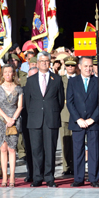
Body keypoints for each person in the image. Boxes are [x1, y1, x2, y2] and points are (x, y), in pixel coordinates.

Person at [24, 51, 64, 187]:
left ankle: (49, 177)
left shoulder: (57, 79)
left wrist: (51, 111)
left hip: (51, 119)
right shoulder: (30, 80)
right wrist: (36, 113)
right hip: (35, 119)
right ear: (38, 63)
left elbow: (59, 101)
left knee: (50, 150)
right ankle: (37, 177)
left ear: (50, 63)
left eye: (47, 61)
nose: (44, 63)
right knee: (36, 150)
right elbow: (28, 102)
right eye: (42, 61)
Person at [67, 56, 99, 187]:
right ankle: (78, 178)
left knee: (93, 151)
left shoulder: (98, 81)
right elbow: (69, 102)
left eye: (90, 66)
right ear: (80, 66)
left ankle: (93, 178)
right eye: (86, 66)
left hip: (93, 122)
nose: (88, 68)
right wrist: (78, 119)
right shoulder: (73, 81)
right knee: (78, 151)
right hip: (78, 122)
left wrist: (93, 118)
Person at [0, 65, 23, 187]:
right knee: (3, 148)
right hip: (1, 120)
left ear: (13, 74)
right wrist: (6, 119)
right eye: (5, 72)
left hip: (14, 120)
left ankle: (12, 176)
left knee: (12, 149)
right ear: (2, 75)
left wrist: (13, 119)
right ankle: (4, 176)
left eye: (10, 72)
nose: (7, 74)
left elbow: (20, 106)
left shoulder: (18, 89)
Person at [60, 56, 78, 176]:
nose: (70, 67)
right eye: (68, 65)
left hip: (77, 113)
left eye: (72, 65)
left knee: (76, 142)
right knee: (65, 142)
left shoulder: (80, 79)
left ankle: (76, 166)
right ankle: (66, 167)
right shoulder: (60, 79)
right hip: (64, 113)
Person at [21, 67, 38, 183]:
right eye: (31, 76)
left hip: (41, 122)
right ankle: (30, 173)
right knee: (29, 149)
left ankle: (41, 173)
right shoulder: (23, 90)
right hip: (27, 122)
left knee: (41, 150)